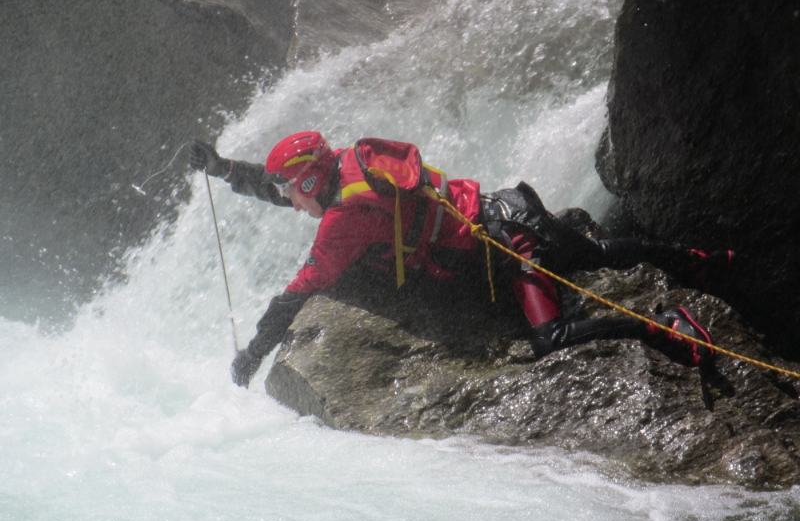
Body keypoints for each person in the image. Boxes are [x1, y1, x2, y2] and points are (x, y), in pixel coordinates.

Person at [189, 134, 733, 388]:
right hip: (507, 209)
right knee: (595, 253)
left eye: (290, 191)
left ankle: (665, 328)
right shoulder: (352, 162)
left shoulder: (344, 220)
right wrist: (224, 169)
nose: (288, 201)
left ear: (310, 181)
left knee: (552, 337)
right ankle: (697, 259)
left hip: (512, 251)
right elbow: (280, 185)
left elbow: (294, 296)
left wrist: (252, 356)